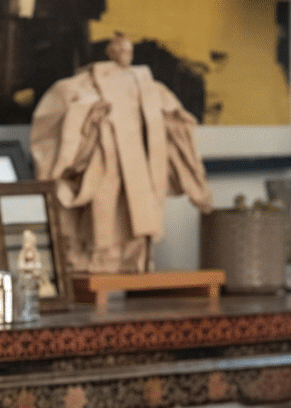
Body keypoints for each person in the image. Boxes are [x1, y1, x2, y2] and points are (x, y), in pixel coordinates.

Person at [29, 33, 212, 274]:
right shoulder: (70, 90)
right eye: (118, 48)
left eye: (127, 48)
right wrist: (90, 124)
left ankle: (133, 257)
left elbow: (180, 133)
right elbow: (52, 158)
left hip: (140, 193)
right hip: (95, 196)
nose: (124, 53)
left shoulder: (153, 91)